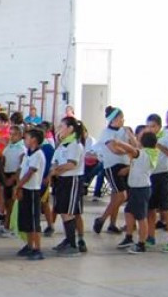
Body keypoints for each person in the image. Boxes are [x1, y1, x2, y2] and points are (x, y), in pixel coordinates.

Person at [48, 117, 86, 257]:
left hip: (72, 180)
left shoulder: (75, 144)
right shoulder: (63, 144)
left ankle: (73, 244)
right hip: (62, 180)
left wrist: (56, 170)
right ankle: (68, 239)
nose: (59, 129)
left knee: (69, 212)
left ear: (70, 129)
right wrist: (54, 170)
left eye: (62, 126)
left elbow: (72, 164)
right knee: (64, 211)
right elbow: (55, 161)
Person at [93, 106, 135, 235]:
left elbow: (135, 146)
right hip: (112, 165)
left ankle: (112, 223)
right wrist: (128, 151)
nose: (123, 120)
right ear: (115, 119)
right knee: (122, 196)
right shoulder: (107, 133)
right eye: (121, 118)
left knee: (116, 196)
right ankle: (102, 219)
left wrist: (130, 137)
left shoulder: (125, 131)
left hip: (125, 164)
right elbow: (114, 150)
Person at [114, 131, 157, 253]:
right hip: (136, 188)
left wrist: (119, 142)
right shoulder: (150, 153)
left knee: (141, 217)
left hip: (141, 189)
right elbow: (135, 147)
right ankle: (129, 237)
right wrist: (130, 135)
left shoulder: (143, 154)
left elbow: (132, 149)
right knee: (129, 211)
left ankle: (141, 243)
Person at [145, 114, 168, 252]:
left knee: (166, 209)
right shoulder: (147, 138)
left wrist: (159, 146)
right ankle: (150, 236)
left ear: (159, 126)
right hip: (150, 175)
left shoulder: (165, 138)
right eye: (148, 126)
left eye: (153, 126)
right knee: (151, 208)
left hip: (163, 175)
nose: (150, 129)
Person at [13, 128, 47, 260]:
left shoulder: (38, 154)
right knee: (26, 220)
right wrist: (19, 186)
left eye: (26, 138)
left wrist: (18, 185)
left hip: (32, 190)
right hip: (25, 189)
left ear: (33, 140)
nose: (24, 140)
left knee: (34, 221)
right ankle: (29, 245)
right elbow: (22, 170)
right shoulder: (28, 153)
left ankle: (37, 248)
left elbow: (30, 173)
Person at [0, 125, 26, 236]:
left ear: (20, 135)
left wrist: (13, 178)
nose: (11, 136)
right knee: (7, 202)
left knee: (13, 203)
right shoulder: (8, 147)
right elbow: (3, 161)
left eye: (14, 134)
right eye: (10, 134)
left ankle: (12, 226)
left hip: (15, 177)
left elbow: (21, 166)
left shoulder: (22, 148)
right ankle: (7, 224)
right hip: (6, 175)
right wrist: (4, 177)